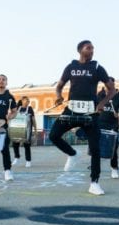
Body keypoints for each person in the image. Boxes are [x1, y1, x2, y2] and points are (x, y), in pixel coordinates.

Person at [49, 40, 115, 196]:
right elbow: (59, 86)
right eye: (88, 48)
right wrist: (58, 96)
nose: (92, 50)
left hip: (90, 112)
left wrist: (102, 104)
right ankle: (72, 154)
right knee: (53, 135)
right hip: (71, 109)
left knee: (95, 148)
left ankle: (94, 183)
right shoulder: (71, 67)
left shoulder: (97, 68)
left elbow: (111, 90)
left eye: (93, 48)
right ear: (80, 50)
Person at [97, 78, 119, 179]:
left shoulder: (118, 96)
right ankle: (95, 168)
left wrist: (118, 118)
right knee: (96, 147)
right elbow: (94, 108)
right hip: (99, 124)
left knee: (113, 149)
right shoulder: (99, 94)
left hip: (112, 125)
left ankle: (114, 168)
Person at [11, 96, 35, 168]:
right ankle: (17, 157)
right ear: (22, 100)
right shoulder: (17, 108)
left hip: (27, 129)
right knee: (15, 143)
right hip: (18, 128)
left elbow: (33, 119)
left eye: (29, 101)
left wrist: (35, 130)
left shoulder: (30, 109)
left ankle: (28, 161)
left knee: (27, 145)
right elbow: (12, 117)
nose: (28, 102)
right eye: (27, 100)